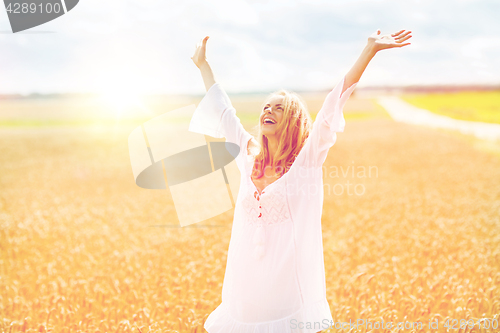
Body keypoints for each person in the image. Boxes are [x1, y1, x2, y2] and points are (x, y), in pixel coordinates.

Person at [189, 29, 412, 333]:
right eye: (267, 105)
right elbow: (224, 110)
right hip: (243, 292)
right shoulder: (247, 157)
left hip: (286, 295)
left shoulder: (305, 164)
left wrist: (369, 50)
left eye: (279, 107)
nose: (269, 110)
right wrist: (203, 65)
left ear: (292, 120)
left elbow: (333, 105)